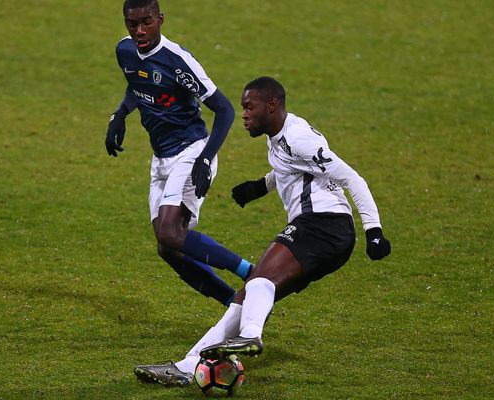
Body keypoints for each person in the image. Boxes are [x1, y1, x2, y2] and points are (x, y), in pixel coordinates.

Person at [133, 76, 391, 387]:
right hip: (324, 233)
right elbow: (291, 167)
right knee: (245, 299)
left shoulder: (299, 138)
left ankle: (251, 337)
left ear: (272, 106)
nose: (244, 114)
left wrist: (373, 230)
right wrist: (261, 186)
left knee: (259, 280)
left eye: (248, 107)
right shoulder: (280, 136)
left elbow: (352, 178)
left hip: (323, 226)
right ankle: (187, 366)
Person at [105, 0, 253, 307]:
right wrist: (119, 115)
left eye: (147, 22)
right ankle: (234, 303)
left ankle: (251, 272)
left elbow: (224, 110)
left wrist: (205, 158)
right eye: (132, 24)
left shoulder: (178, 61)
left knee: (171, 234)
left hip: (192, 150)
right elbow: (137, 83)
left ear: (160, 19)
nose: (140, 31)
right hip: (160, 159)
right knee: (167, 247)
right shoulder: (125, 51)